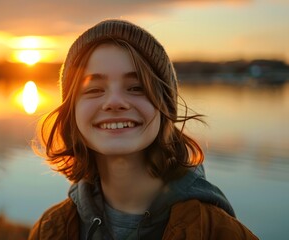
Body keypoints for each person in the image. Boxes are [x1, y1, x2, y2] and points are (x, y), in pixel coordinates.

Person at [29, 19, 258, 240]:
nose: (115, 101)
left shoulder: (217, 231)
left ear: (165, 106)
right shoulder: (51, 229)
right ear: (73, 110)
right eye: (94, 89)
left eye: (136, 87)